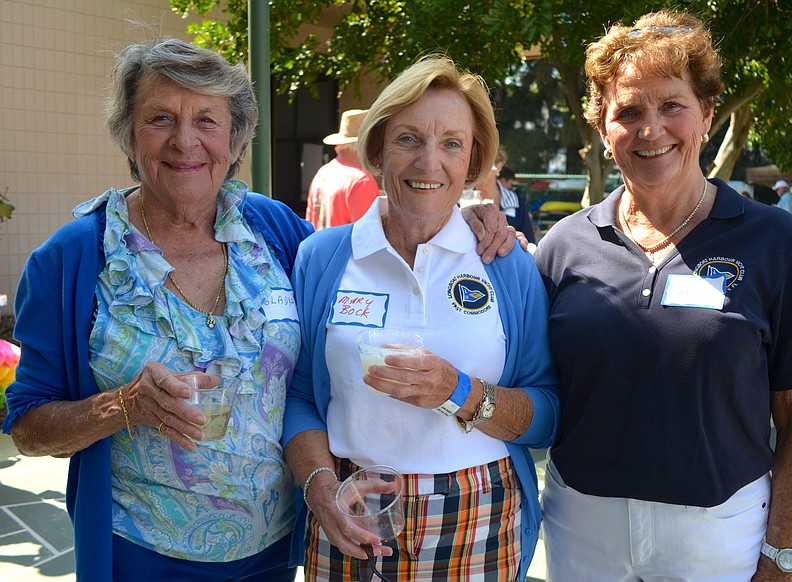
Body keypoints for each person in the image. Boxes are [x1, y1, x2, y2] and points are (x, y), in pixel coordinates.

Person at [0, 38, 515, 581]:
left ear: (235, 136)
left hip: (273, 550)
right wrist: (124, 406)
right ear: (129, 133)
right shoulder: (73, 259)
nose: (185, 141)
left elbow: (362, 264)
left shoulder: (273, 231)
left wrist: (470, 218)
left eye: (207, 119)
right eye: (159, 119)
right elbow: (29, 428)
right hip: (140, 552)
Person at [534, 10, 792, 581]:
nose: (651, 130)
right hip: (582, 525)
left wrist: (783, 556)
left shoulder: (775, 241)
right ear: (604, 130)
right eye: (628, 111)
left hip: (721, 531)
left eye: (672, 105)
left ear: (706, 113)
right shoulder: (564, 244)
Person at [283, 56, 560, 582]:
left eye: (452, 143)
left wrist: (457, 391)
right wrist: (320, 487)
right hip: (354, 507)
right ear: (379, 150)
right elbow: (298, 396)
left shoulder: (506, 264)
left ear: (473, 159)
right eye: (409, 139)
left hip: (478, 515)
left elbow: (546, 412)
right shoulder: (322, 258)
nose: (429, 163)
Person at [306, 109, 380, 231]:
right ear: (363, 144)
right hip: (347, 249)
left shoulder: (323, 172)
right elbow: (367, 234)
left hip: (320, 248)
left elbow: (310, 222)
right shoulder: (361, 180)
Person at [479, 146, 537, 243]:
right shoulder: (459, 200)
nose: (477, 169)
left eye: (484, 163)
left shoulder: (516, 202)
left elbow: (529, 242)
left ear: (498, 167)